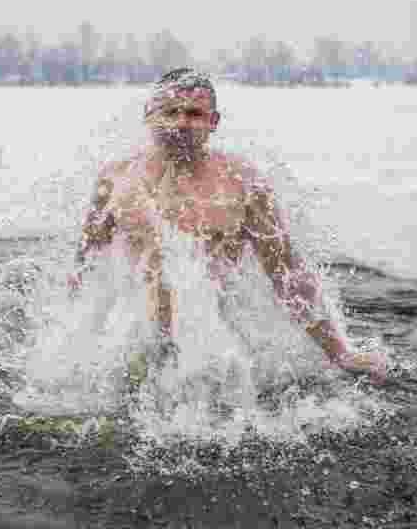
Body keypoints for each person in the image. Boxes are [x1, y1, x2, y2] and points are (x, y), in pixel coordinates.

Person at [68, 68, 387, 384]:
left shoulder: (241, 183)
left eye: (194, 114)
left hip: (211, 350)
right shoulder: (116, 178)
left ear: (213, 121)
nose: (181, 123)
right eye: (170, 112)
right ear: (149, 114)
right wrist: (71, 345)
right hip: (134, 343)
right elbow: (86, 265)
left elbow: (288, 275)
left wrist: (340, 353)